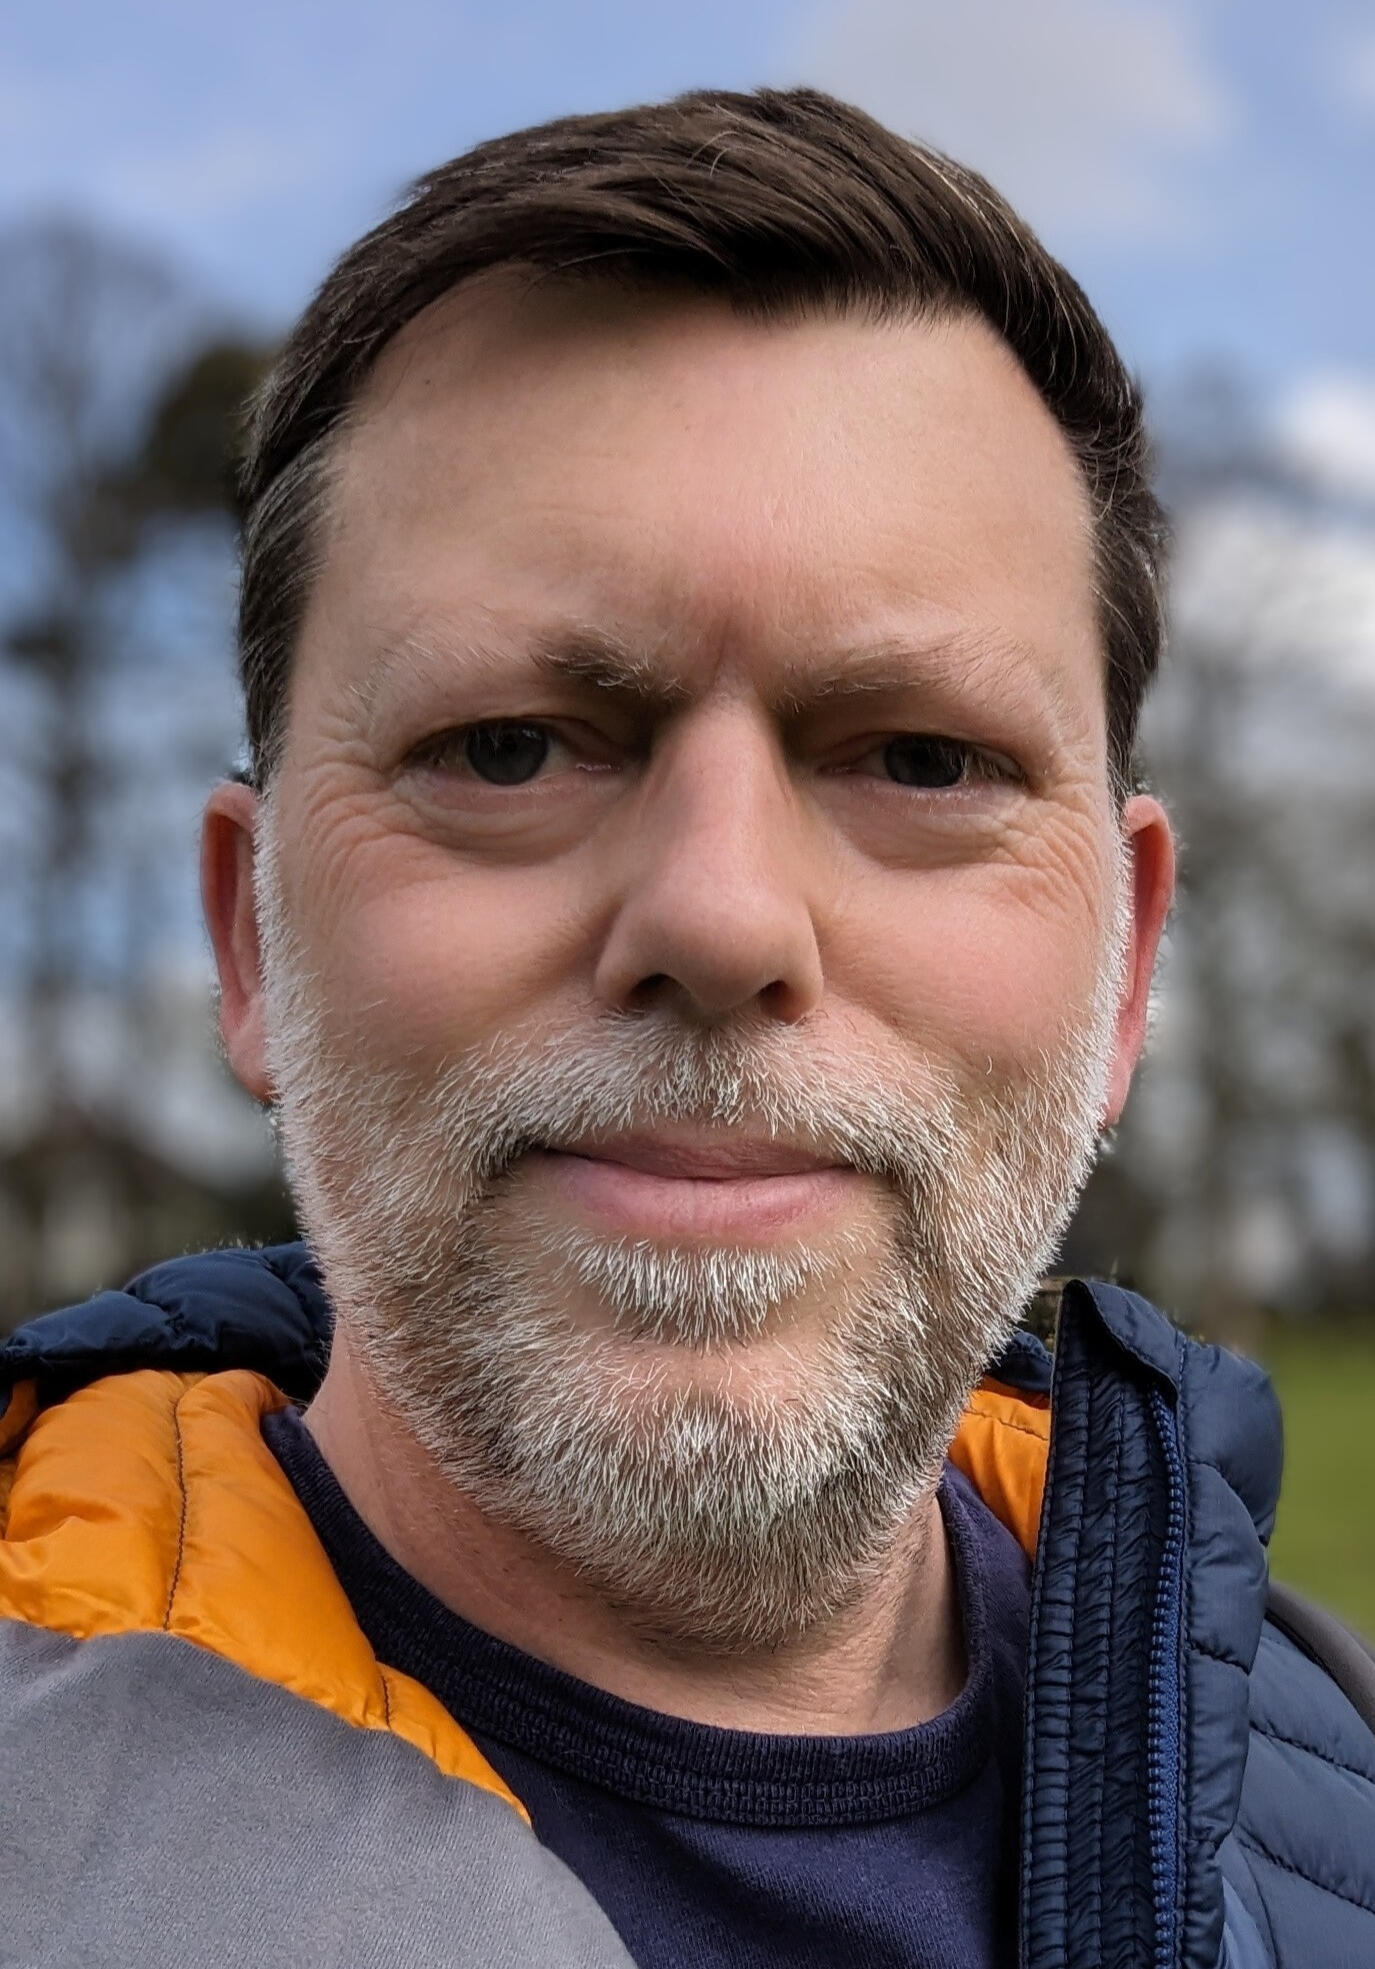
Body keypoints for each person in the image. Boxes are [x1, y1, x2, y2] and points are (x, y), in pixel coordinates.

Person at [1, 86, 1372, 1969]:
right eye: (508, 748)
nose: (722, 917)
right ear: (252, 937)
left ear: (1126, 965)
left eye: (921, 760)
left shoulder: (1332, 1783)